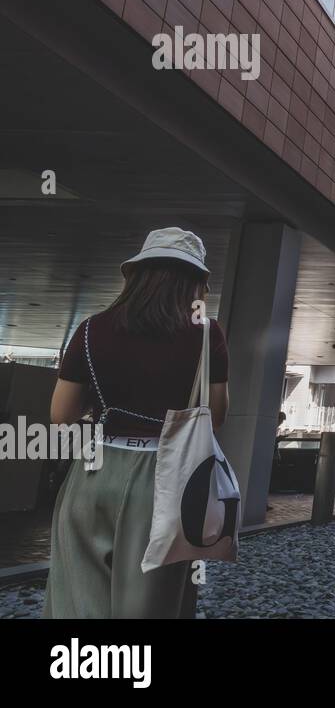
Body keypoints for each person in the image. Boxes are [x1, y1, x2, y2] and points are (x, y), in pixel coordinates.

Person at [43, 228, 230, 619]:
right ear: (195, 281)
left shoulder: (92, 328)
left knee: (78, 598)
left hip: (95, 472)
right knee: (150, 605)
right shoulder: (206, 335)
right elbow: (215, 415)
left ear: (135, 276)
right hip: (168, 477)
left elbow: (61, 415)